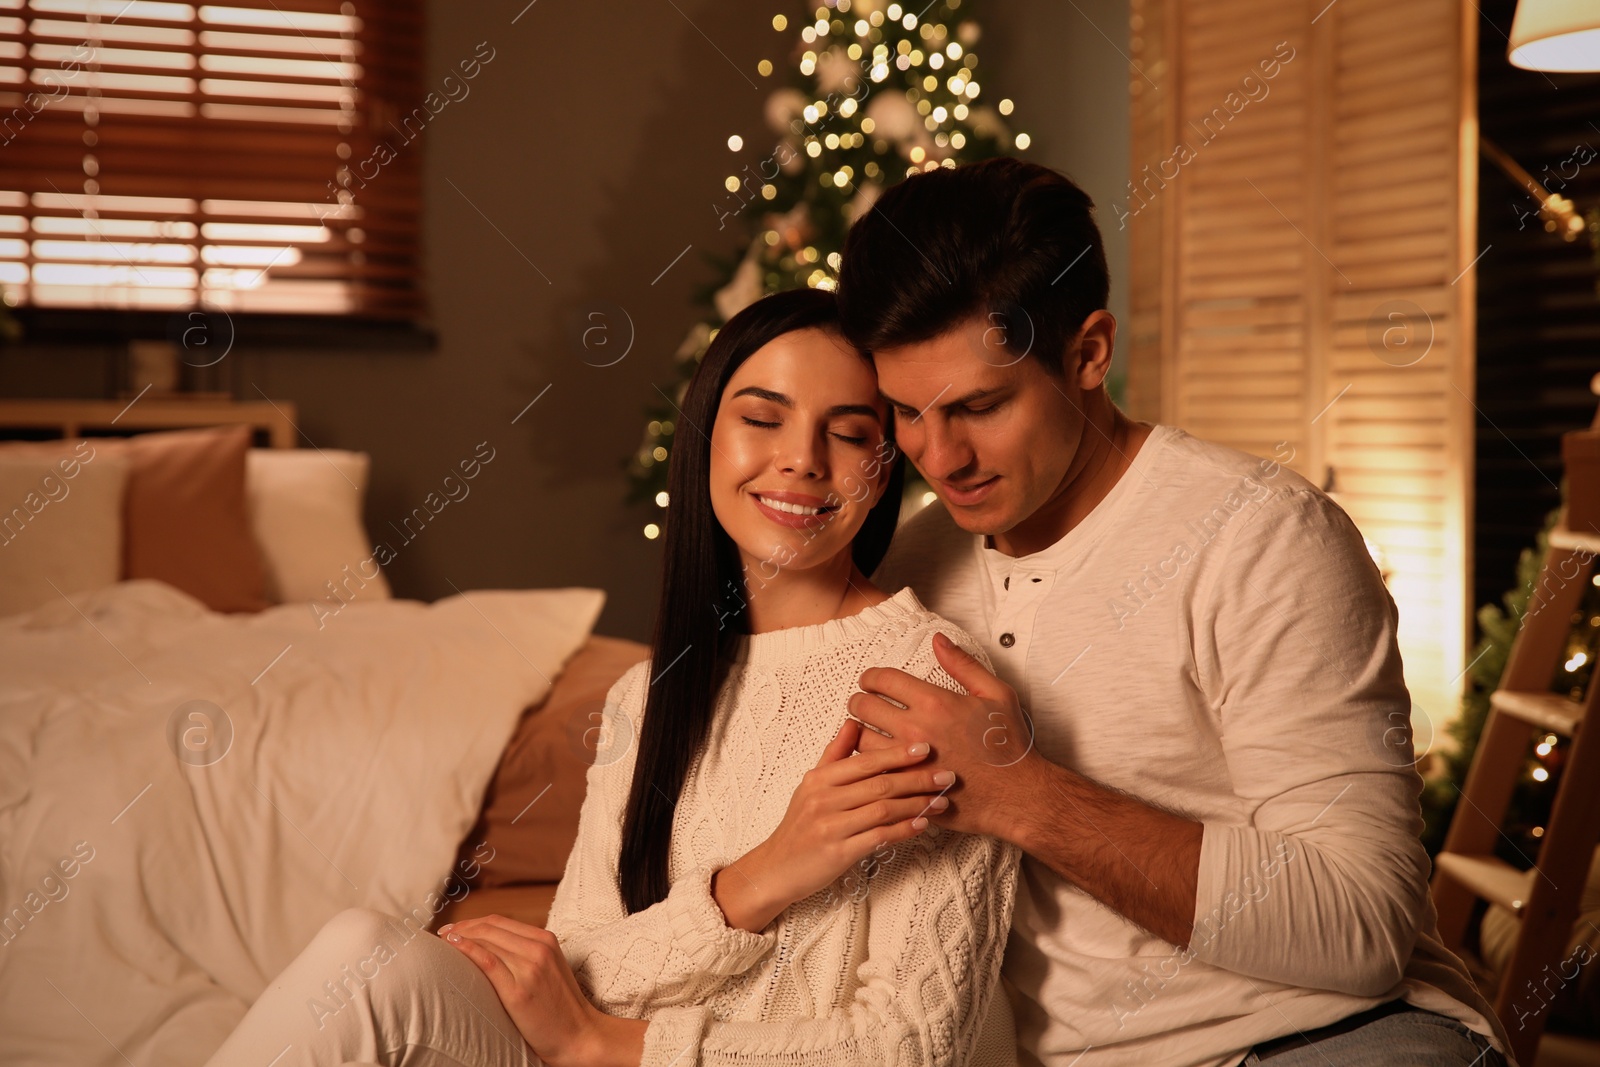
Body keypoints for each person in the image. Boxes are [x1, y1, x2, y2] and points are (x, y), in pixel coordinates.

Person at [204, 288, 1020, 1067]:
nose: (800, 459)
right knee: (364, 957)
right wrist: (759, 880)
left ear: (883, 471)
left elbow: (914, 1046)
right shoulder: (650, 691)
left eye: (846, 433)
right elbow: (579, 962)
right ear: (706, 439)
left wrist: (605, 1045)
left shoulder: (926, 681)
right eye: (762, 418)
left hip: (619, 1058)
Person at [830, 156, 1515, 1067]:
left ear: (1089, 351)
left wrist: (1027, 795)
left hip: (1322, 1036)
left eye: (980, 406)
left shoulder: (1263, 540)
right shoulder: (912, 565)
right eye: (906, 413)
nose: (938, 455)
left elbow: (1364, 924)